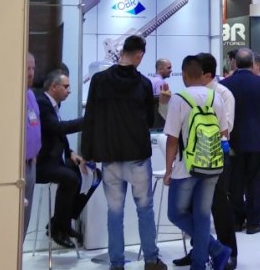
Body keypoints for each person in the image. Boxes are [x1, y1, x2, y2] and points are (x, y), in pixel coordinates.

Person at [82, 35, 166, 270]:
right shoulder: (144, 84)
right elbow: (149, 121)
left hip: (110, 156)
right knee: (145, 210)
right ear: (139, 55)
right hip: (138, 155)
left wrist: (88, 153)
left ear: (122, 52)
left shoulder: (99, 80)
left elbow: (91, 117)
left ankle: (117, 263)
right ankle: (151, 260)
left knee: (115, 212)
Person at [164, 55, 232, 270]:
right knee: (202, 216)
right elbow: (224, 133)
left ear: (184, 75)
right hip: (212, 164)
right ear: (201, 74)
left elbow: (172, 139)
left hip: (186, 167)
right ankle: (201, 262)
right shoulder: (216, 97)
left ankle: (215, 250)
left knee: (175, 213)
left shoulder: (179, 99)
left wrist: (168, 169)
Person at [36, 70, 100, 248]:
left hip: (54, 160)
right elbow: (57, 127)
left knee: (90, 174)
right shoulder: (42, 103)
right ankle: (59, 228)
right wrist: (86, 121)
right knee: (70, 178)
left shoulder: (53, 104)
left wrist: (70, 152)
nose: (69, 91)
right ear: (53, 87)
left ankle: (61, 223)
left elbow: (56, 131)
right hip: (42, 164)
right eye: (66, 87)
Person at [220, 48, 260, 234]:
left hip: (233, 140)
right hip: (258, 139)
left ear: (235, 62)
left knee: (235, 182)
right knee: (256, 182)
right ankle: (253, 222)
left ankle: (237, 221)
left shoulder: (225, 84)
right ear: (253, 62)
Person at [23, 53, 42, 238]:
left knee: (25, 219)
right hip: (17, 168)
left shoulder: (30, 95)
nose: (30, 73)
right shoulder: (10, 96)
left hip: (31, 165)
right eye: (27, 68)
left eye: (33, 68)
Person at [150, 58, 172, 128]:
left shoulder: (151, 80)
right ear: (160, 68)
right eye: (168, 68)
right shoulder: (160, 82)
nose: (171, 70)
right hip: (158, 122)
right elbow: (160, 104)